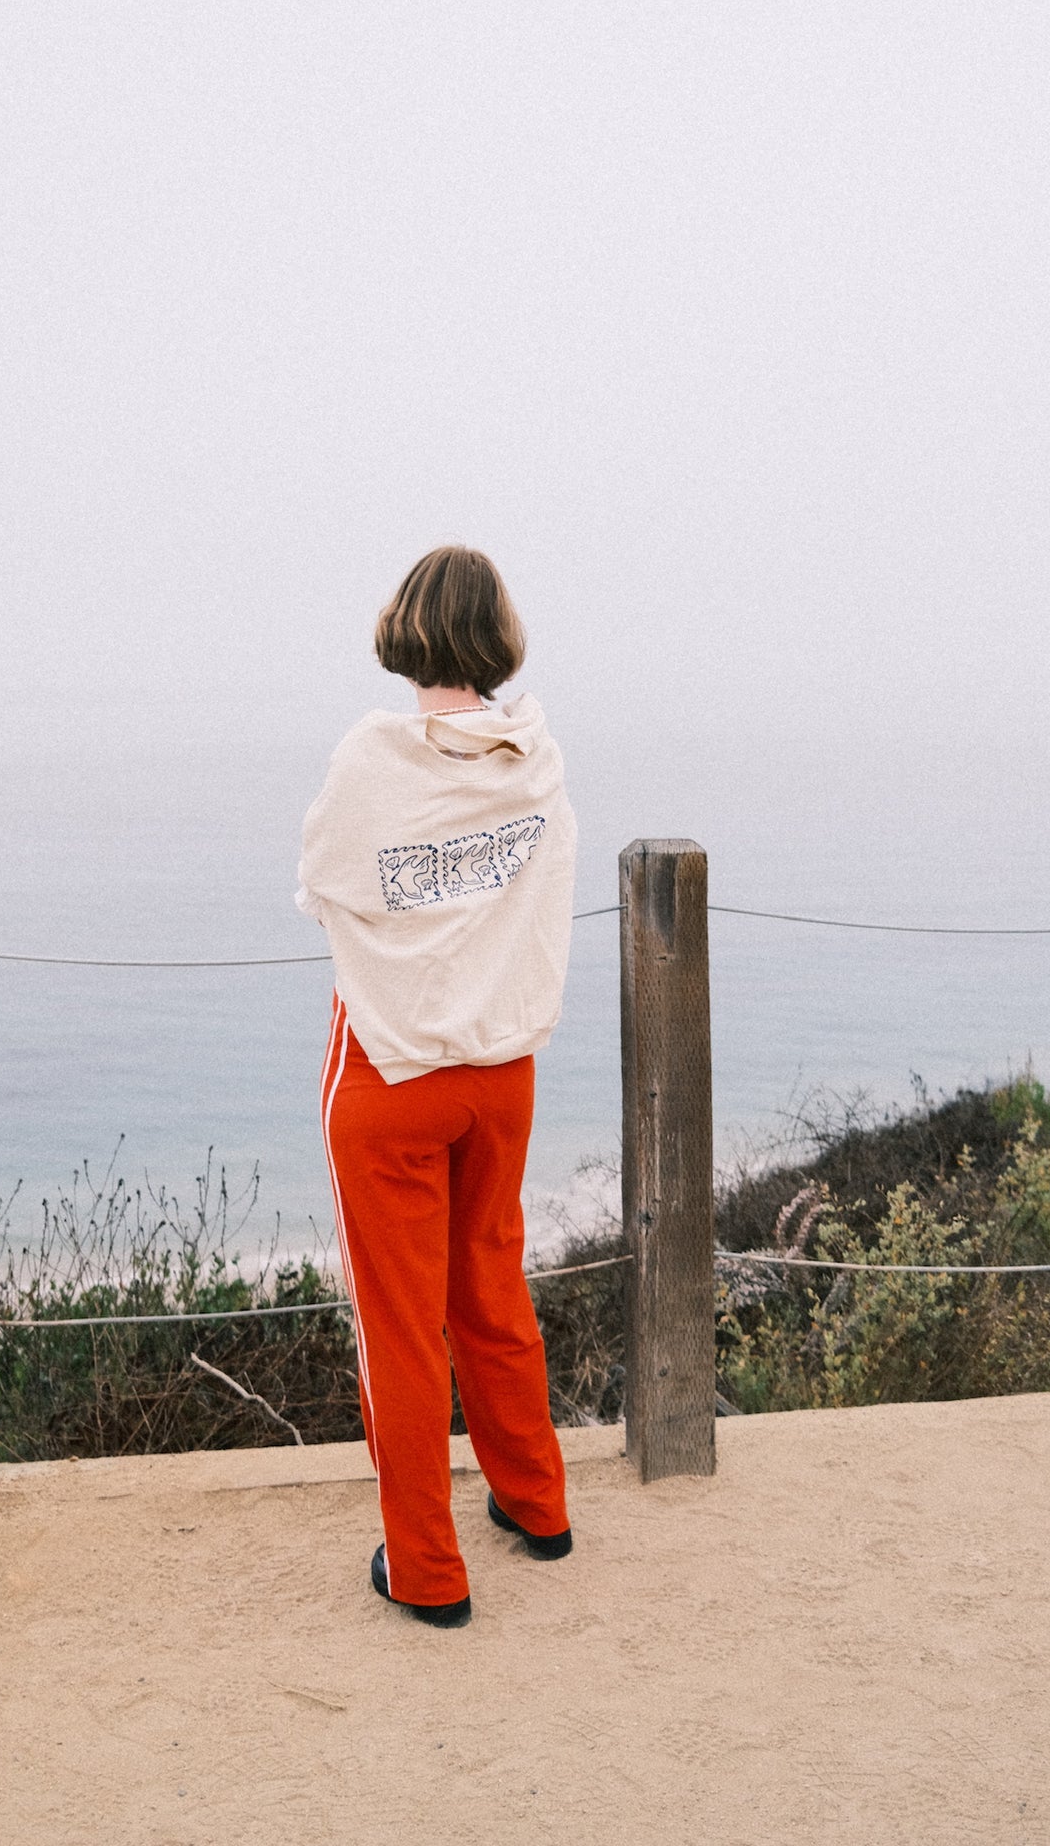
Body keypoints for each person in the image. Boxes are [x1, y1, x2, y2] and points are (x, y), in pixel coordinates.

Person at [297, 545, 578, 1628]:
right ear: (497, 634)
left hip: (393, 1068)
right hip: (500, 1068)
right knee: (491, 1286)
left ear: (406, 629)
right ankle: (535, 1502)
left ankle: (424, 1567)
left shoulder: (373, 758)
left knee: (400, 1324)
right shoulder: (534, 755)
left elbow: (323, 877)